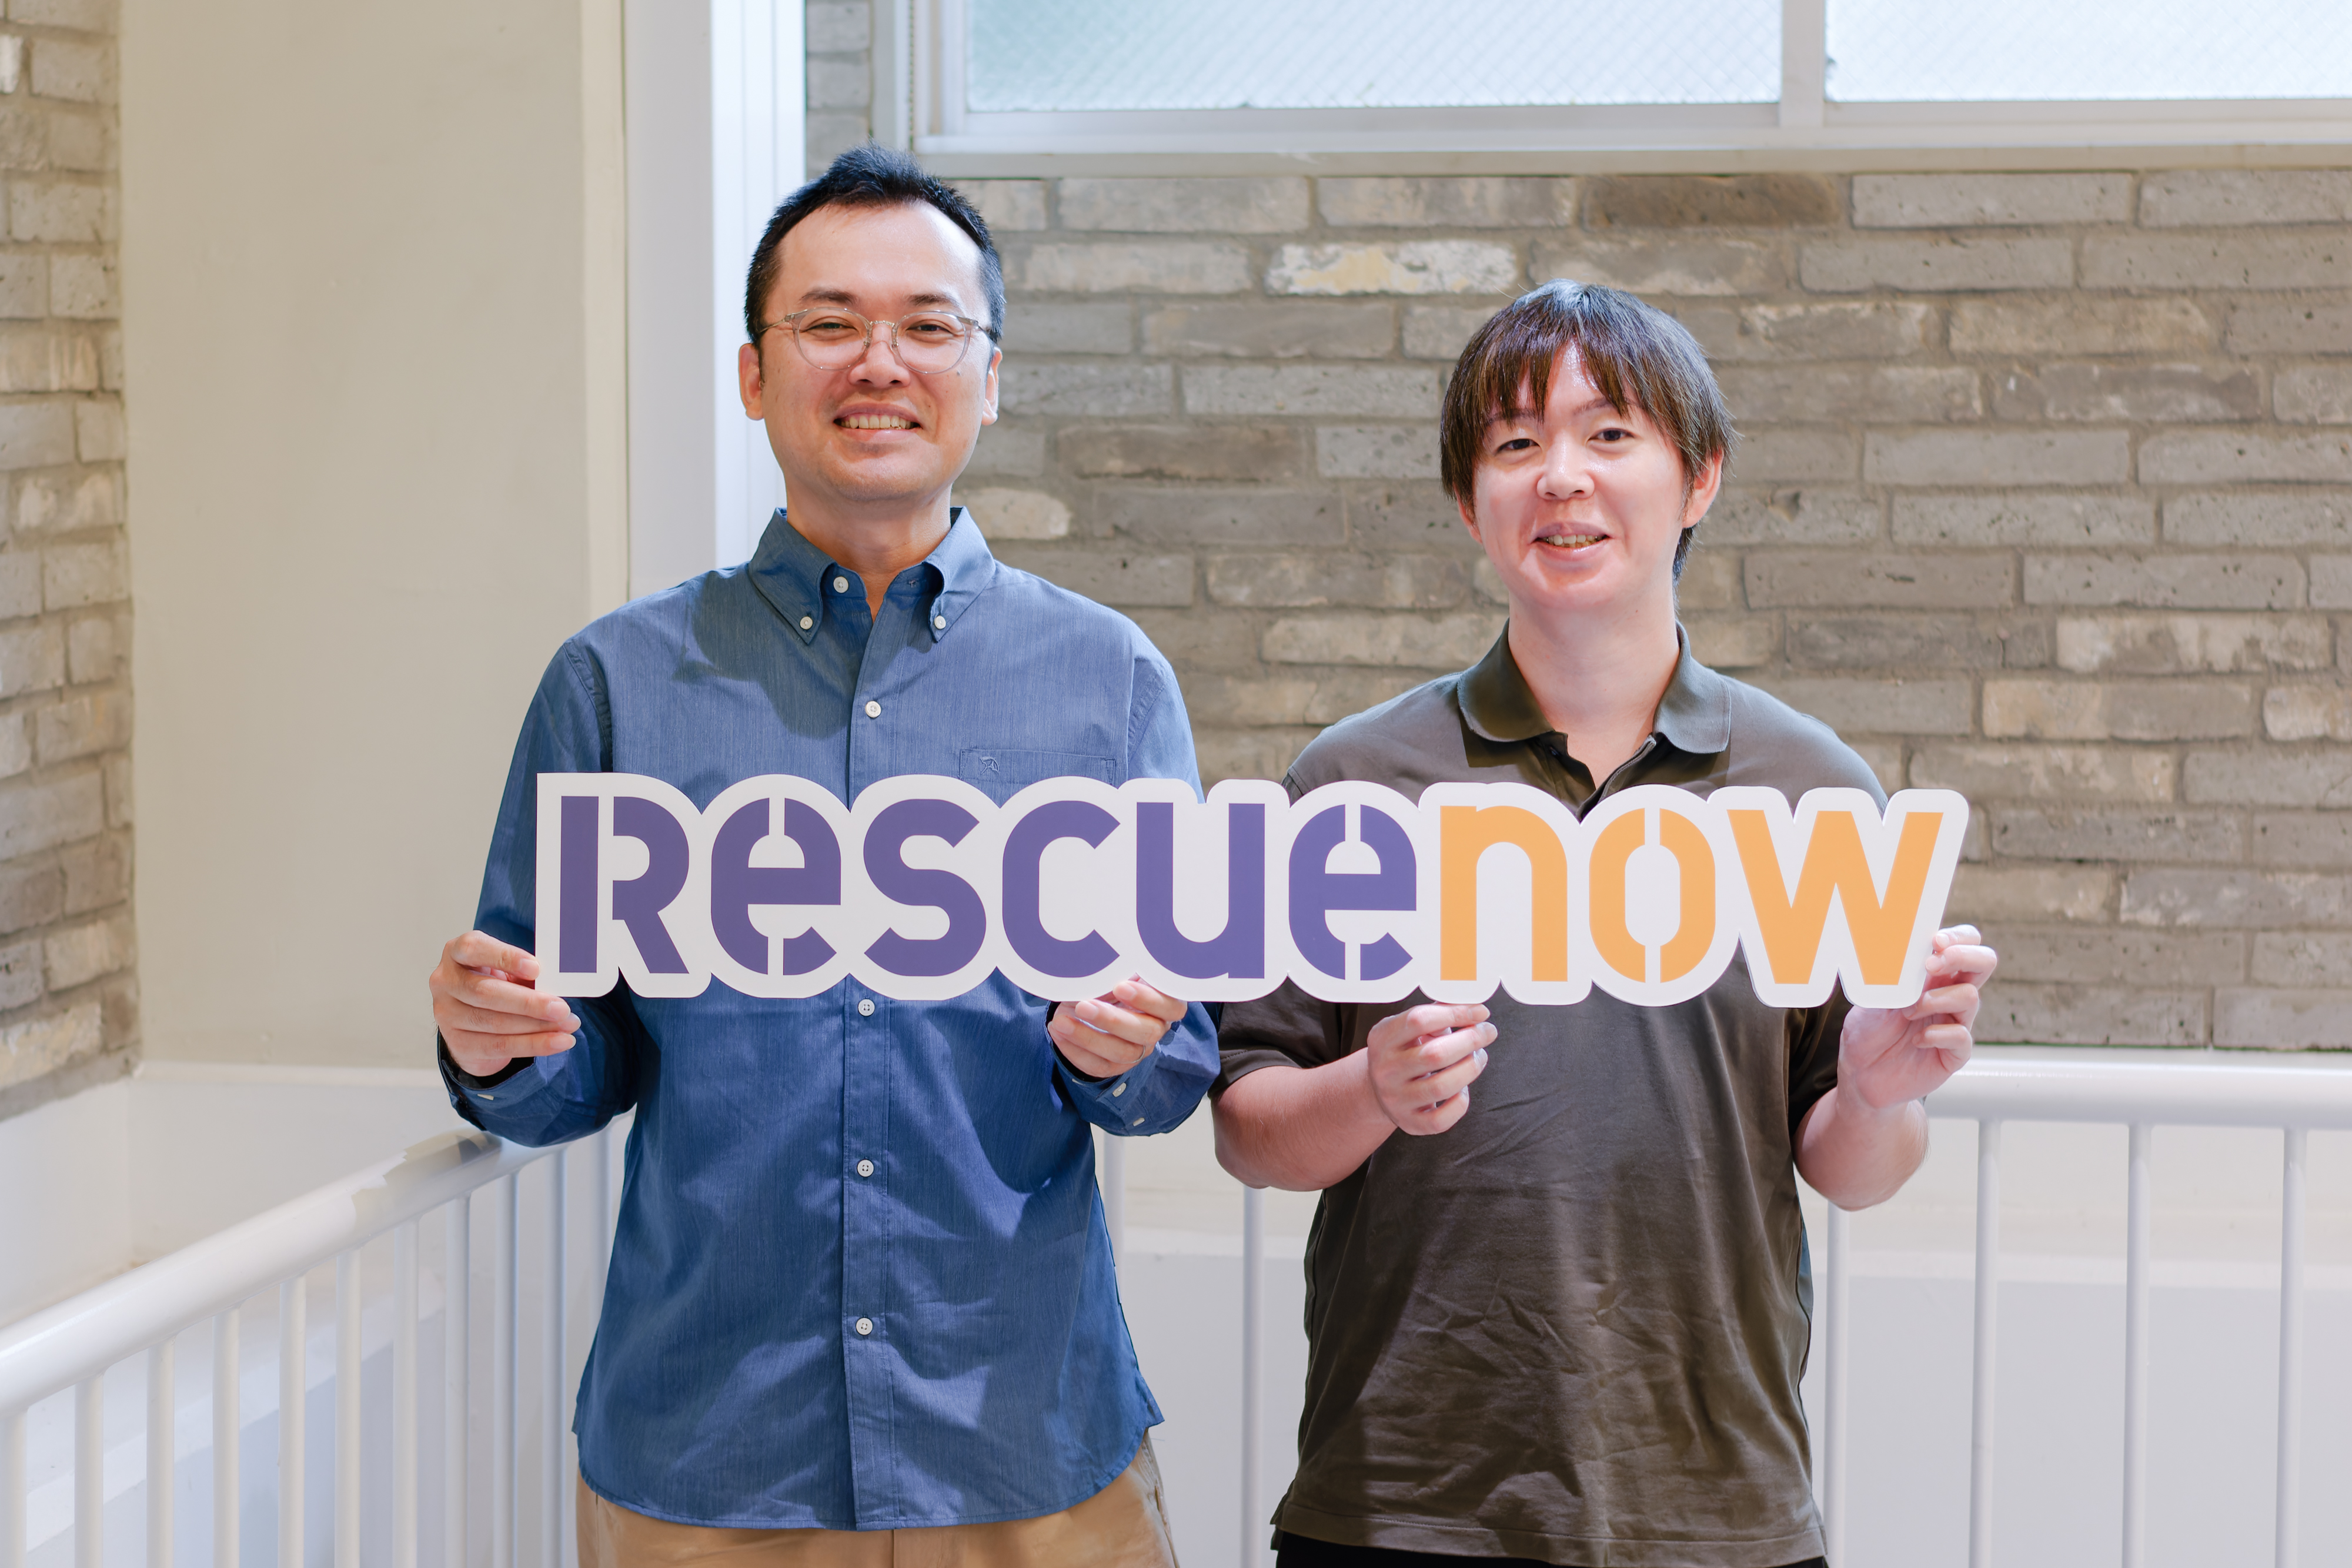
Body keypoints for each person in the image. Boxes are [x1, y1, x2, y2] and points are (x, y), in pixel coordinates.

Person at [426, 145, 1210, 1566]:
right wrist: (498, 1046)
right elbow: (567, 1068)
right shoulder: (614, 683)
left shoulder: (1108, 681)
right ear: (753, 372)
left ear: (988, 375)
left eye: (927, 326)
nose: (878, 363)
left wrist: (1125, 1052)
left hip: (1028, 1446)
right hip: (707, 1455)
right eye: (829, 322)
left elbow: (1170, 1069)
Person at [1210, 279, 1999, 1568]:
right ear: (1467, 500)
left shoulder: (1811, 786)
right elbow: (1250, 1130)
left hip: (1714, 1498)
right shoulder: (1351, 782)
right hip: (1399, 1494)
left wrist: (1871, 1090)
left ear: (1700, 478)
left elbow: (1856, 1168)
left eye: (1610, 433)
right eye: (1515, 443)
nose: (1561, 476)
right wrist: (1373, 1088)